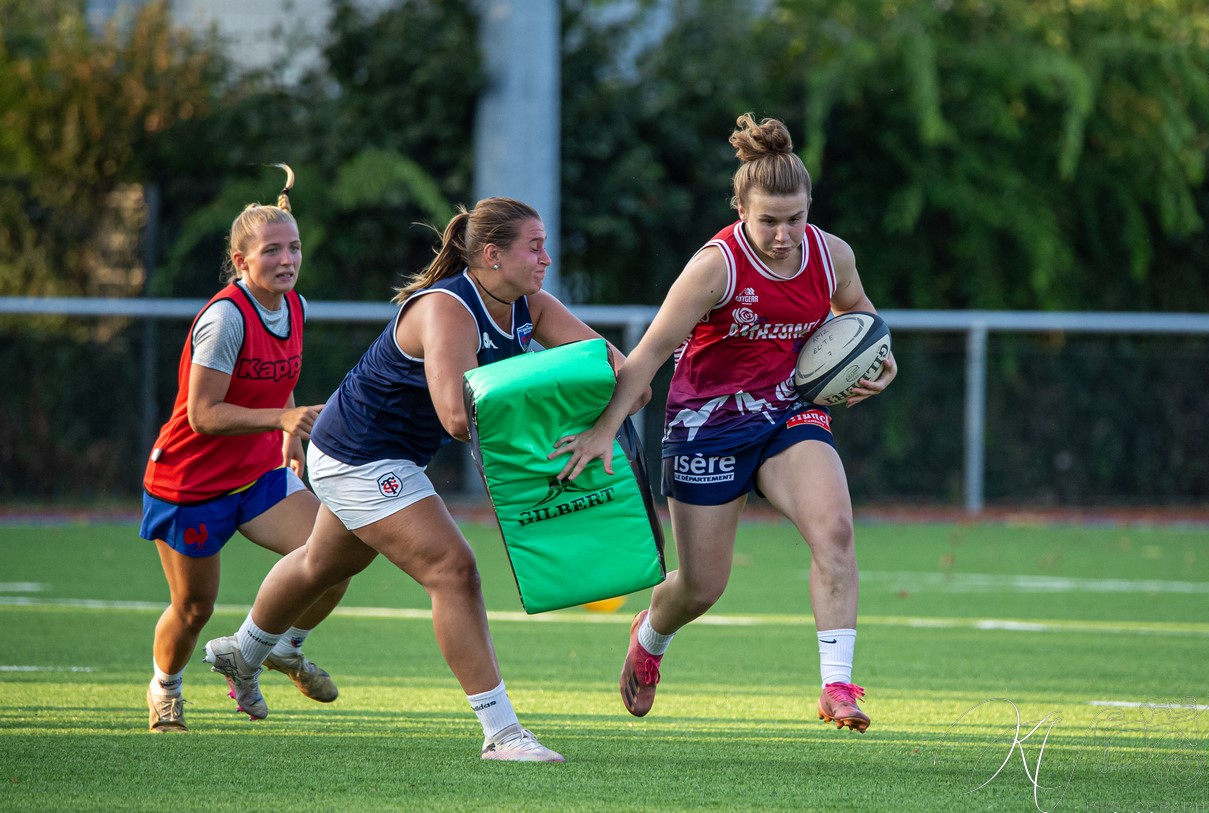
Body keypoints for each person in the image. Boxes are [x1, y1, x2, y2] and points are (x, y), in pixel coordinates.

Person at [204, 196, 641, 762]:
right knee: (453, 570)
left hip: (387, 456)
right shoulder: (447, 310)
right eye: (534, 247)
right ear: (491, 255)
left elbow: (617, 370)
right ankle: (501, 732)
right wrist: (556, 396)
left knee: (325, 562)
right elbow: (457, 419)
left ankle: (244, 650)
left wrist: (605, 416)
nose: (546, 258)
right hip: (357, 454)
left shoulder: (530, 303)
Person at [551, 113, 898, 733]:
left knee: (836, 531)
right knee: (703, 587)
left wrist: (884, 361)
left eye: (795, 217)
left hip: (788, 413)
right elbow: (652, 350)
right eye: (769, 220)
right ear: (741, 208)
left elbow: (862, 318)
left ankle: (837, 686)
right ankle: (651, 634)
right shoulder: (717, 266)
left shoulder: (831, 256)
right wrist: (606, 427)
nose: (785, 233)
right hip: (706, 425)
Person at [141, 164, 348, 733]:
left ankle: (277, 648)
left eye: (295, 248)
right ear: (241, 262)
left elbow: (276, 380)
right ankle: (165, 687)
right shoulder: (225, 318)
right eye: (272, 251)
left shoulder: (295, 306)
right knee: (193, 610)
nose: (287, 260)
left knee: (336, 552)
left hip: (256, 471)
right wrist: (283, 417)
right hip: (191, 480)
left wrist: (286, 434)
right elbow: (202, 415)